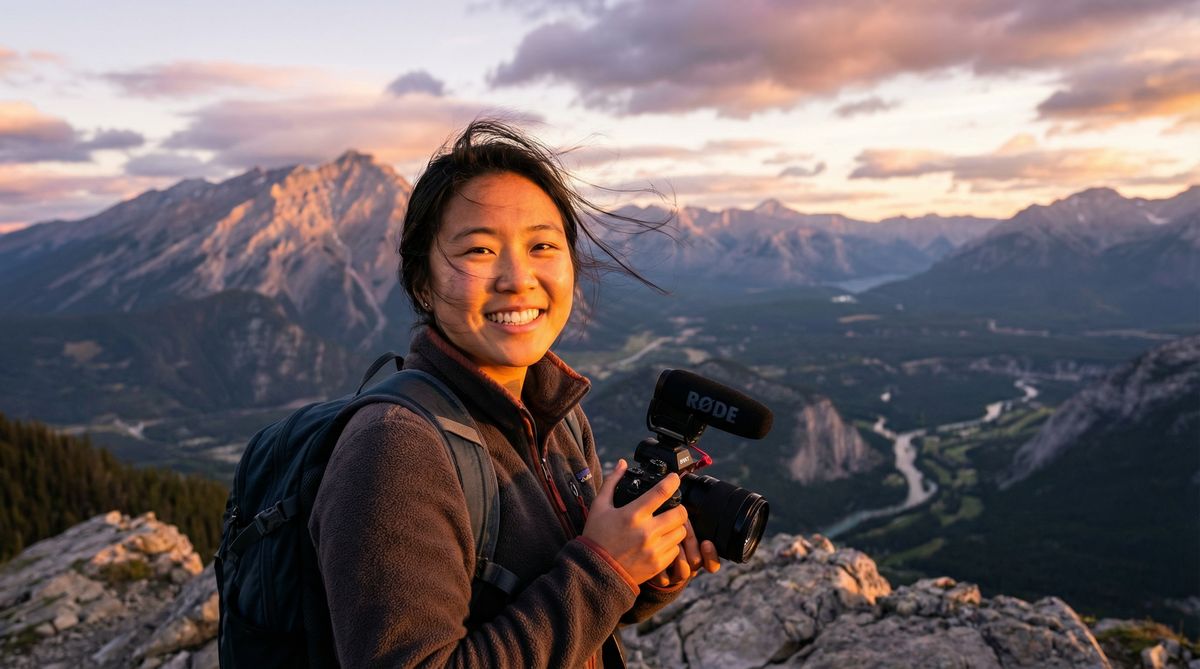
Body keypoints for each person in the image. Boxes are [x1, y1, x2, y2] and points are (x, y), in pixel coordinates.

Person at [308, 119, 720, 668]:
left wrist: (644, 572)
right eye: (479, 251)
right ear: (422, 283)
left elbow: (562, 609)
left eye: (543, 245)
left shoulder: (554, 414)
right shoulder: (396, 450)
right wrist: (605, 567)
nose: (517, 278)